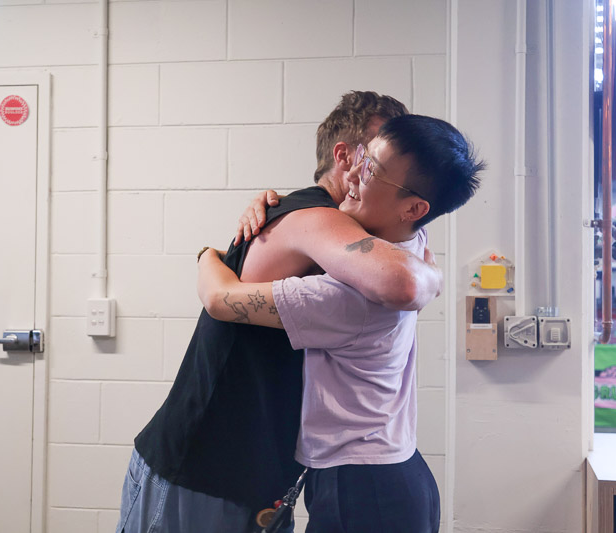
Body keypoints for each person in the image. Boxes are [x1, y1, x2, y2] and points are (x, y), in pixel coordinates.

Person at [116, 92, 443, 533]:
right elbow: (404, 280)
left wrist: (210, 253)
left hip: (257, 474)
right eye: (371, 158)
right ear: (344, 157)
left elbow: (409, 262)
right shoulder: (315, 220)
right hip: (201, 467)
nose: (366, 173)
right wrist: (207, 254)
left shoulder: (357, 230)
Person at [198, 114, 484, 532]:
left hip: (363, 489)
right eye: (363, 157)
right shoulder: (410, 242)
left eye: (372, 171)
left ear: (413, 208)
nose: (351, 172)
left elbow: (219, 299)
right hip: (390, 473)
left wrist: (208, 254)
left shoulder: (350, 298)